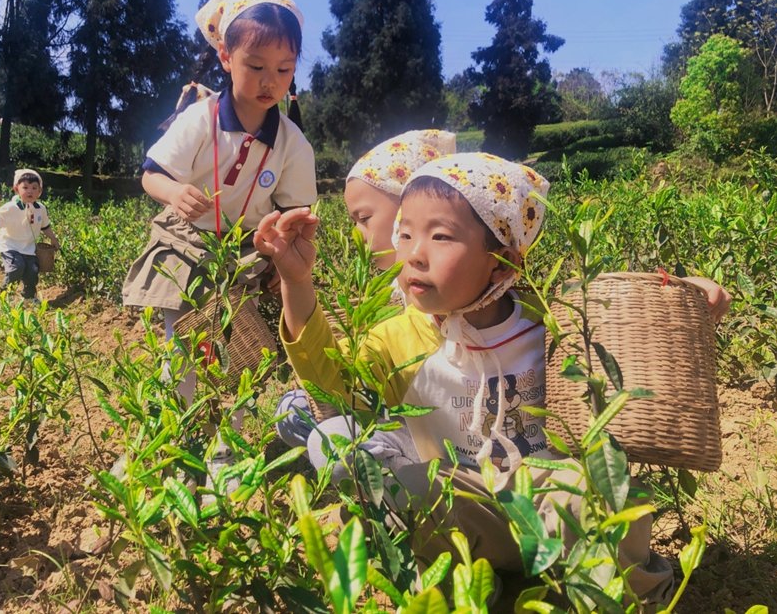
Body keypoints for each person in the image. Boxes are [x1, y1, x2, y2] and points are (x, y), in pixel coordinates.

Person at [255, 152, 678, 604]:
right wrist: (296, 282)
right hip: (460, 505)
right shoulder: (399, 337)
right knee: (335, 442)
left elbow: (638, 331)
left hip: (549, 502)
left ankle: (632, 598)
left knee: (611, 493)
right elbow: (330, 384)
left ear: (501, 263)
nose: (414, 254)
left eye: (440, 236)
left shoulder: (552, 324)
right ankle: (467, 591)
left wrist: (687, 299)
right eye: (405, 234)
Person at [120, 0, 317, 486]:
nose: (269, 81)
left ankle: (219, 451)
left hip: (245, 254)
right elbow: (151, 173)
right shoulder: (199, 118)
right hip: (187, 243)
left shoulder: (292, 143)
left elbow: (295, 210)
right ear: (225, 57)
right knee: (182, 350)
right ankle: (160, 449)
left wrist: (282, 255)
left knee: (236, 356)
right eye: (256, 65)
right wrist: (174, 192)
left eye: (283, 68)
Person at [273, 129, 456, 449]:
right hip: (426, 452)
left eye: (364, 218)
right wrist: (295, 281)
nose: (356, 233)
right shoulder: (404, 323)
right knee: (296, 412)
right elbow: (333, 380)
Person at [0, 168, 60, 305]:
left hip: (28, 247)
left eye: (34, 188)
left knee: (32, 271)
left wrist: (53, 239)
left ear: (40, 192)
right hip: (9, 245)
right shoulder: (10, 208)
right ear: (16, 189)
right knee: (16, 267)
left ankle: (29, 297)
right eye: (25, 187)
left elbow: (45, 227)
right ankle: (4, 296)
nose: (30, 191)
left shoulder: (40, 209)